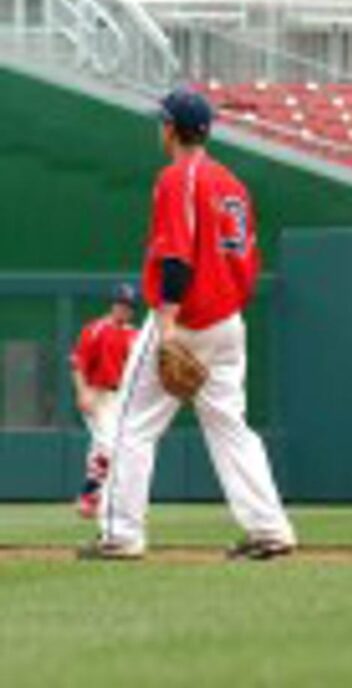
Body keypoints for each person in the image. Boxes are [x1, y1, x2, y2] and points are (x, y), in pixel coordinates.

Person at [79, 88, 296, 560]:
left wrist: (170, 321)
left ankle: (120, 533)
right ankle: (270, 528)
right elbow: (246, 262)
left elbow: (175, 253)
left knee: (132, 426)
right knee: (230, 427)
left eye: (163, 122)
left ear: (173, 129)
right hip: (227, 322)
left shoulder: (179, 177)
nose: (160, 129)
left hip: (184, 318)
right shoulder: (231, 182)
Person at [71, 284, 138, 518]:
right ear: (112, 304)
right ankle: (90, 495)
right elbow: (78, 363)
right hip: (96, 393)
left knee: (106, 448)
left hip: (121, 398)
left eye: (128, 305)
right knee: (108, 445)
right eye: (121, 303)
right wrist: (82, 392)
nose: (124, 309)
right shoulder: (95, 329)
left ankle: (93, 497)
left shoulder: (134, 335)